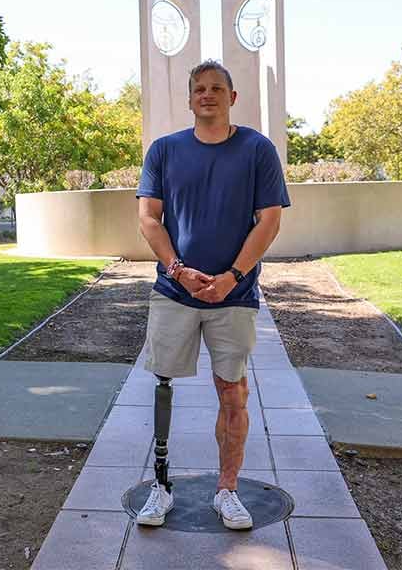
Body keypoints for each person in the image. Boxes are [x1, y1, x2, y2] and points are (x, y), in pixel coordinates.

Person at [134, 60, 290, 529]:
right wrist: (178, 271)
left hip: (234, 294)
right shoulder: (164, 151)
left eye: (217, 88)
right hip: (174, 292)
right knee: (163, 384)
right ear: (189, 99)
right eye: (199, 89)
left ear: (232, 97)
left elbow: (270, 220)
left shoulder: (257, 150)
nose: (208, 95)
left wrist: (232, 275)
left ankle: (228, 490)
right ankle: (160, 487)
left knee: (234, 394)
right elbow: (149, 219)